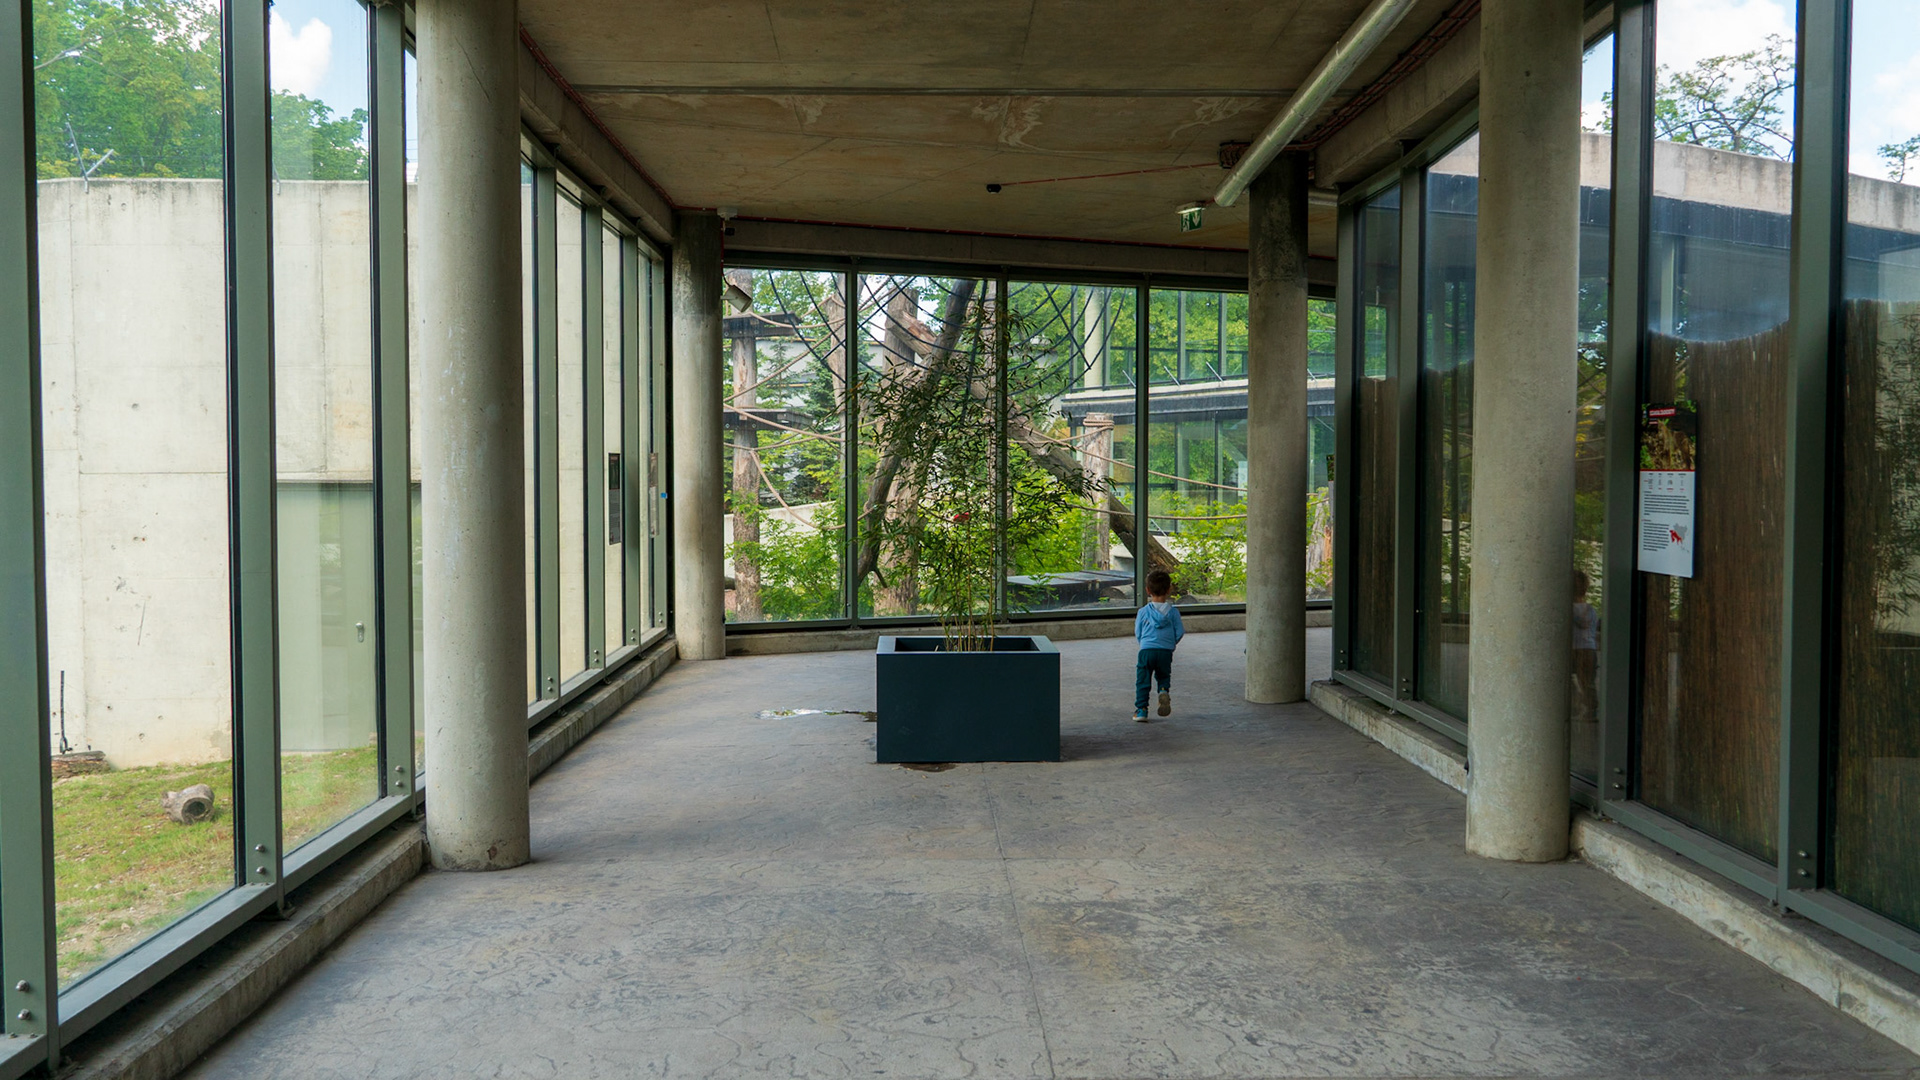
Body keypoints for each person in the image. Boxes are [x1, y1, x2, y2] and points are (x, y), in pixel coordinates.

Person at [1134, 569, 1185, 722]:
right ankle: (1163, 690)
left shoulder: (1143, 612)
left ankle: (1141, 710)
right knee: (1163, 675)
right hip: (1165, 651)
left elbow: (1138, 632)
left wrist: (1144, 643)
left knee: (1143, 680)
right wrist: (1170, 643)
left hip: (1146, 650)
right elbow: (1180, 632)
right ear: (1169, 590)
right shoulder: (1173, 612)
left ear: (1147, 590)